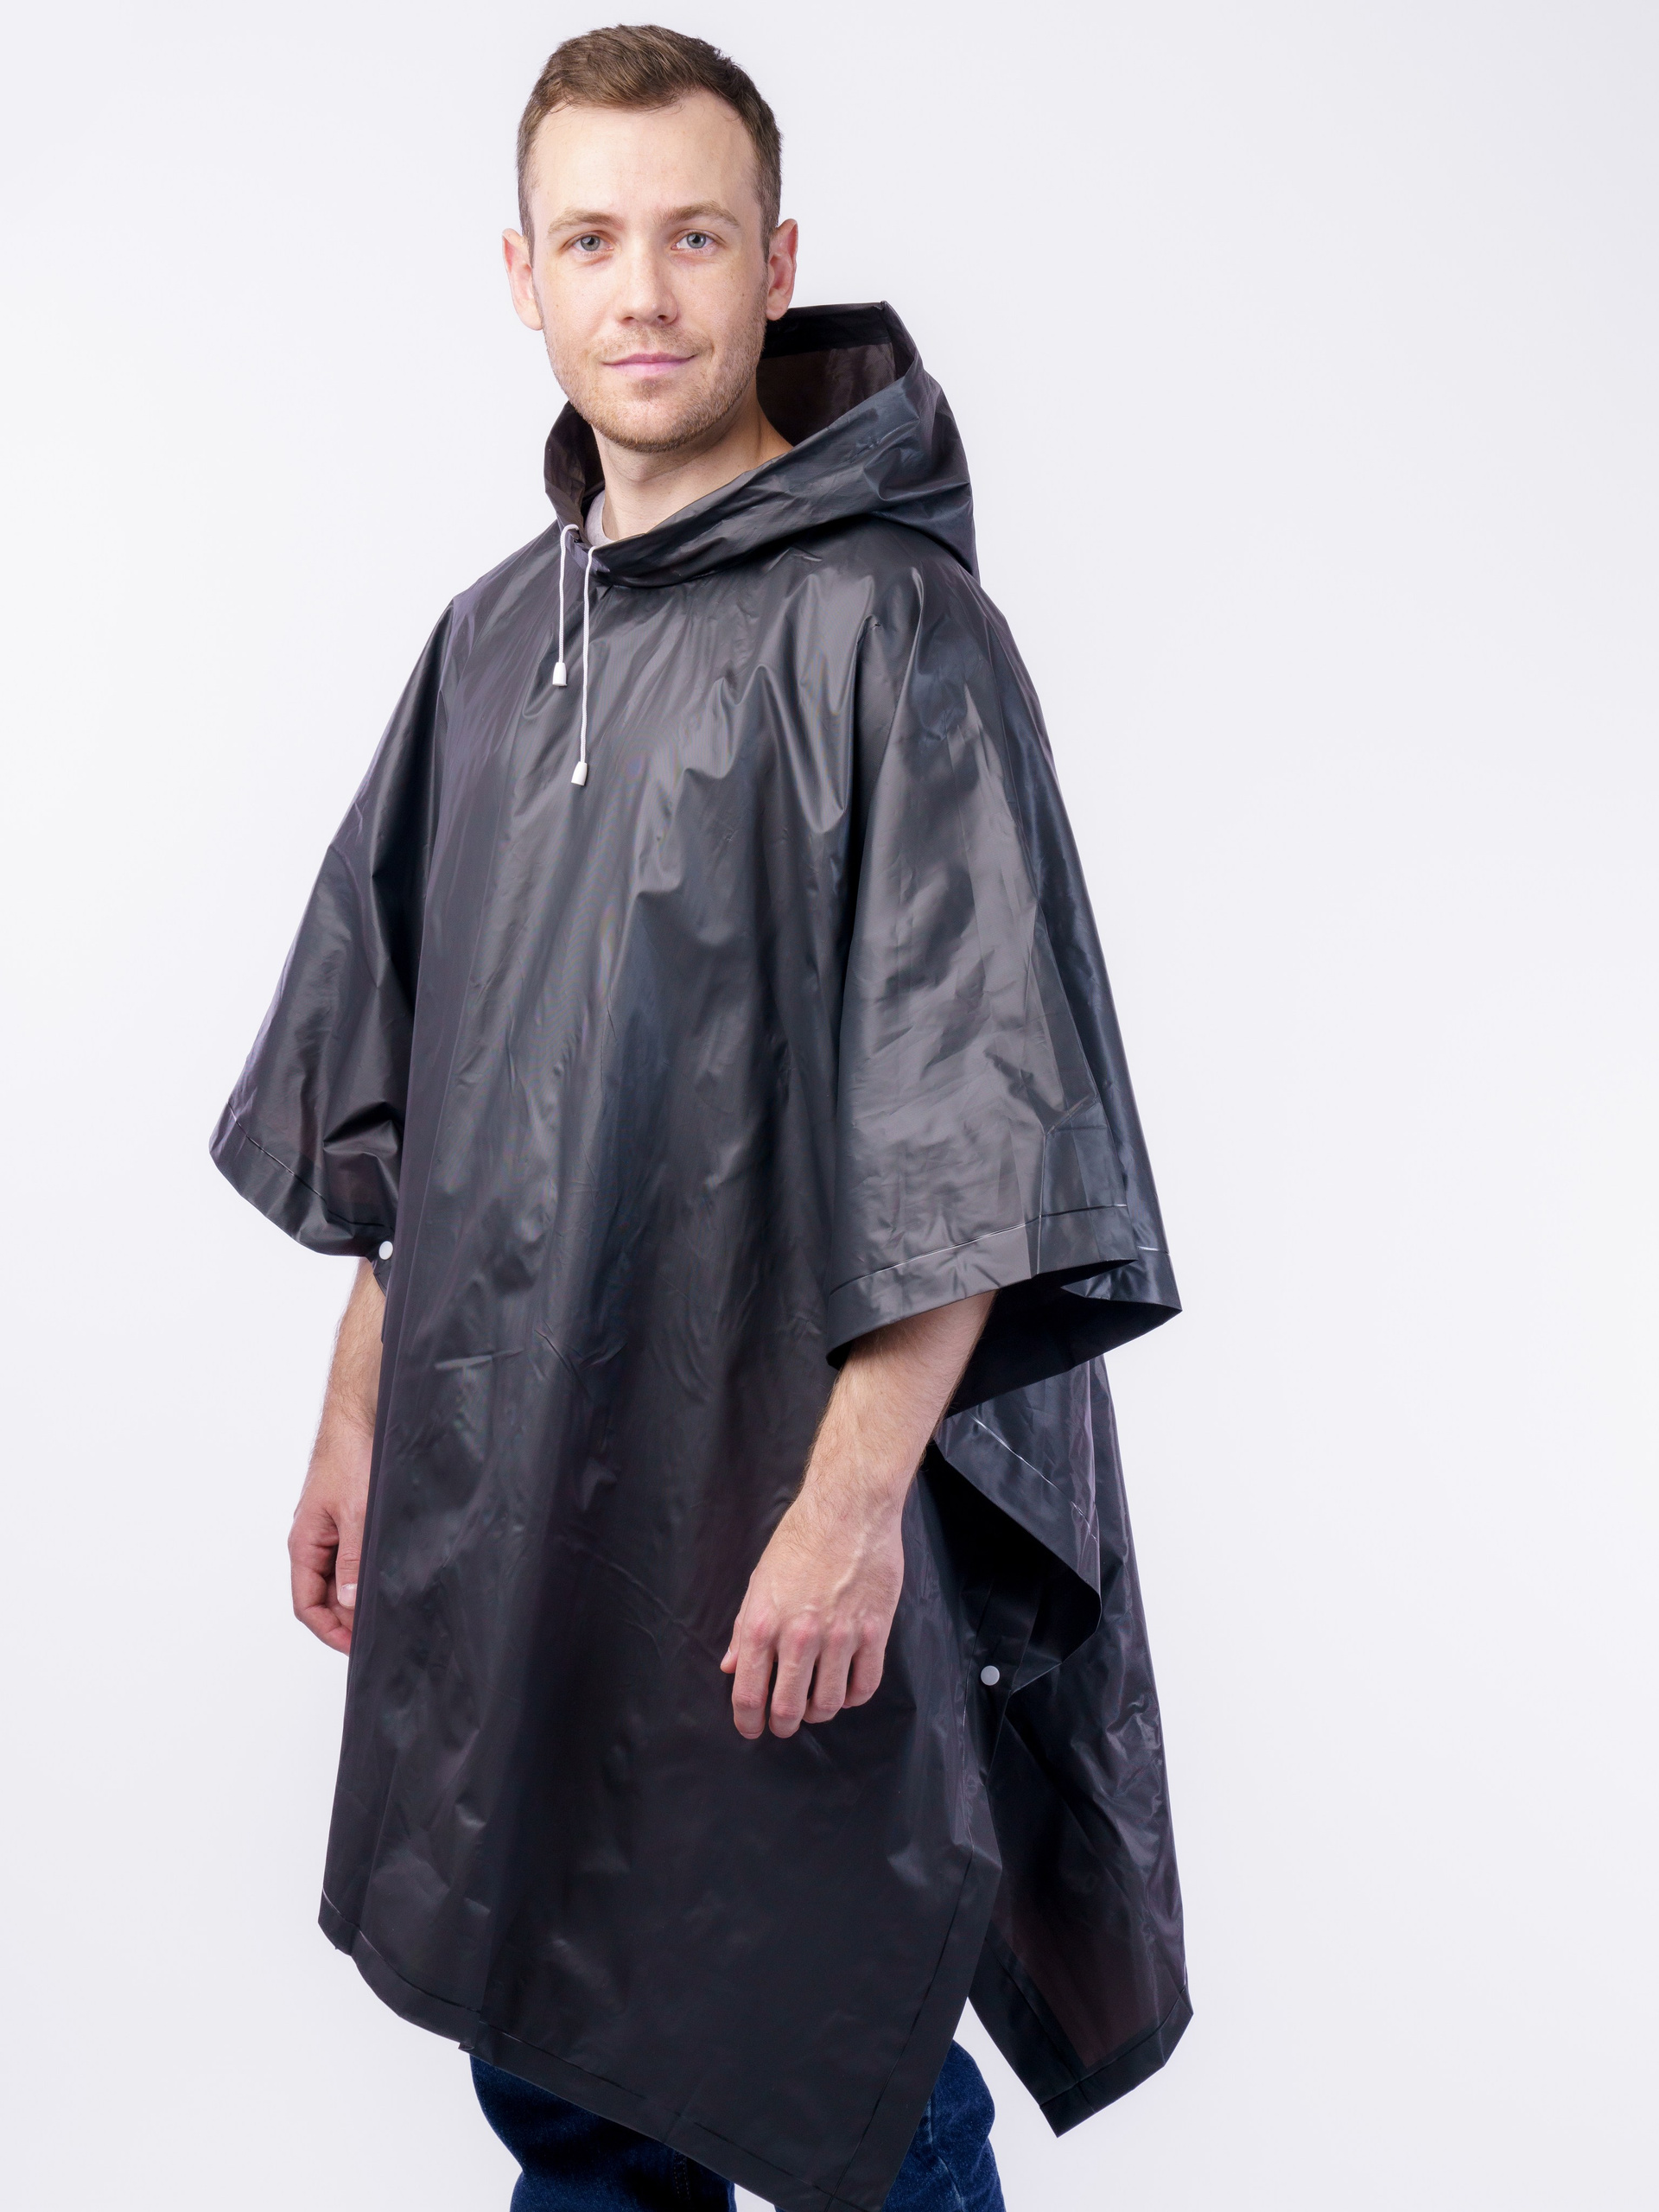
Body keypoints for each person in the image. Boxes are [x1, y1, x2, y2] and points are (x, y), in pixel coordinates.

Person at [212, 25, 1190, 2212]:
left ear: (776, 262)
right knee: (560, 2047)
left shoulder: (895, 634)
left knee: (831, 2049)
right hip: (519, 1504)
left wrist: (851, 1507)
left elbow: (976, 1130)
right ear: (523, 275)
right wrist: (360, 1412)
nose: (641, 292)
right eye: (591, 240)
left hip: (774, 1515)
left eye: (692, 237)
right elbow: (409, 1084)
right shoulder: (493, 644)